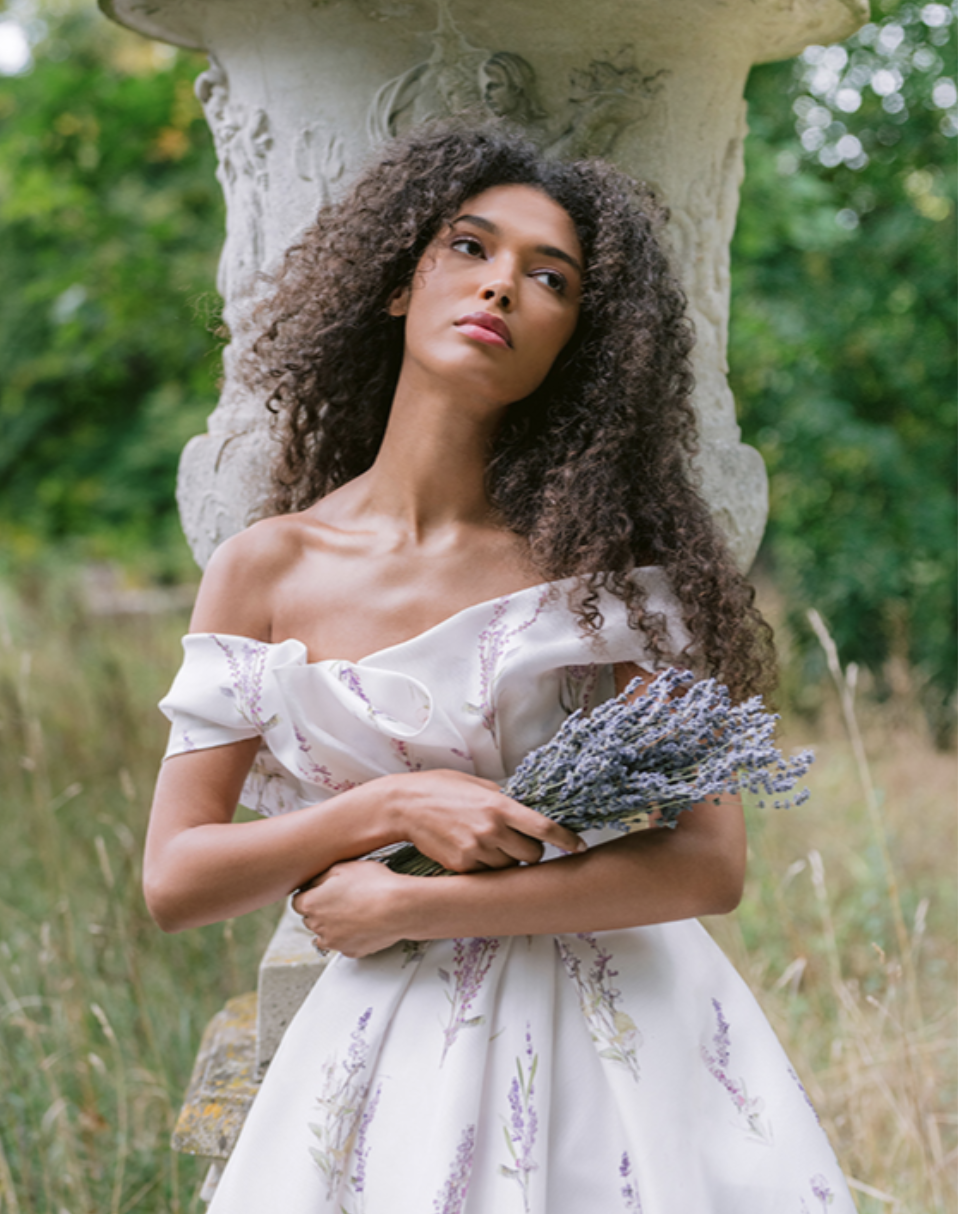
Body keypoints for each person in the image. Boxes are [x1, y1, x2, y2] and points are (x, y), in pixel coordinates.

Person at [147, 122, 856, 1213]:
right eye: (469, 248)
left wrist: (408, 909)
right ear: (395, 284)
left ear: (576, 337)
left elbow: (707, 865)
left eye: (550, 276)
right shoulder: (264, 568)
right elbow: (176, 877)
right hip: (384, 1058)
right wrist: (386, 805)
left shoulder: (608, 574)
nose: (502, 287)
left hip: (618, 1052)